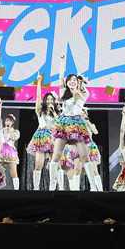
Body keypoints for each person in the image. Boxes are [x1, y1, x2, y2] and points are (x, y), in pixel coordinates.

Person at [47, 54, 99, 191]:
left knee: (85, 156)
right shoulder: (63, 93)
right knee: (56, 155)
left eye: (74, 80)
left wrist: (81, 81)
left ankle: (93, 187)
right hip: (64, 124)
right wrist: (62, 62)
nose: (72, 81)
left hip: (77, 124)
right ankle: (51, 186)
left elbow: (83, 89)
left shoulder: (83, 94)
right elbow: (60, 78)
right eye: (69, 80)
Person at [28, 74, 58, 190]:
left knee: (54, 164)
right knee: (38, 165)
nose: (49, 101)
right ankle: (36, 188)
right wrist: (39, 82)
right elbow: (38, 96)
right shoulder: (40, 110)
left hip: (53, 137)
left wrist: (54, 111)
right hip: (41, 136)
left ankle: (52, 188)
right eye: (48, 99)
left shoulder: (56, 112)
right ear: (45, 101)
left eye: (51, 99)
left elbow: (59, 123)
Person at [0, 98, 20, 190]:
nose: (7, 122)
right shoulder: (2, 130)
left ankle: (16, 190)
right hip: (2, 150)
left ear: (13, 122)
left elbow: (13, 138)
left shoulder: (16, 131)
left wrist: (10, 129)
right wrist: (0, 106)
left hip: (10, 151)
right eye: (6, 120)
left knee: (13, 172)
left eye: (10, 121)